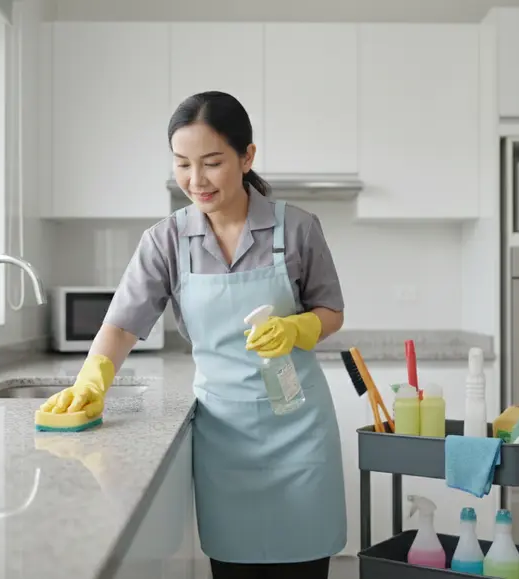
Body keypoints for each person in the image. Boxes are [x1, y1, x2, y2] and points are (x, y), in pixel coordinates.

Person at [39, 91, 348, 579]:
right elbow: (120, 325)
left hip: (300, 431)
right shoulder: (165, 240)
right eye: (182, 164)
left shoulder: (298, 229)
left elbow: (332, 311)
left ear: (247, 157)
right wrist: (91, 381)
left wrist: (300, 327)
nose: (196, 180)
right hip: (224, 436)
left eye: (212, 162)